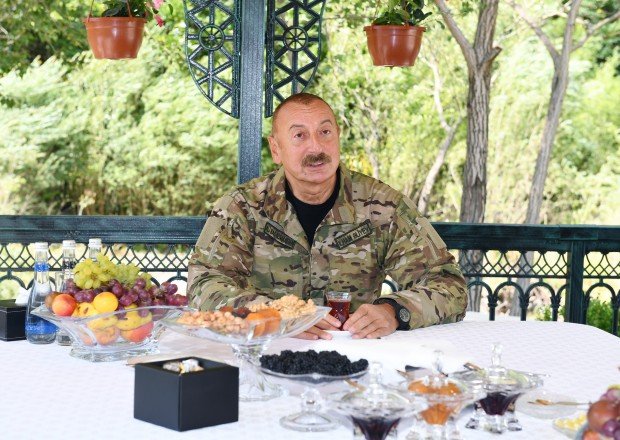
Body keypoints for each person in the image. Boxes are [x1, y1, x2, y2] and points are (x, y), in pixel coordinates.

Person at [187, 93, 467, 340]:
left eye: (325, 132)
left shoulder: (382, 205)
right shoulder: (243, 207)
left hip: (355, 354)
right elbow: (204, 284)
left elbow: (449, 285)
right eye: (299, 136)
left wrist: (394, 311)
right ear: (276, 149)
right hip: (268, 347)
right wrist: (275, 314)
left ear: (338, 137)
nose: (316, 148)